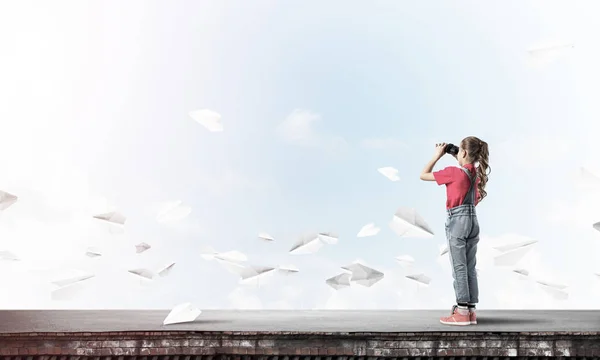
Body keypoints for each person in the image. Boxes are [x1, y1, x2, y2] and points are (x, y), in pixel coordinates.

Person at [419, 136, 490, 326]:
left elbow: (423, 174)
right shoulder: (474, 173)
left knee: (458, 267)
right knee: (469, 267)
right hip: (473, 220)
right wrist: (458, 155)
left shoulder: (452, 173)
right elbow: (468, 180)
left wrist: (437, 155)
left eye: (459, 150)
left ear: (464, 152)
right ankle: (471, 311)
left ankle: (462, 312)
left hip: (457, 221)